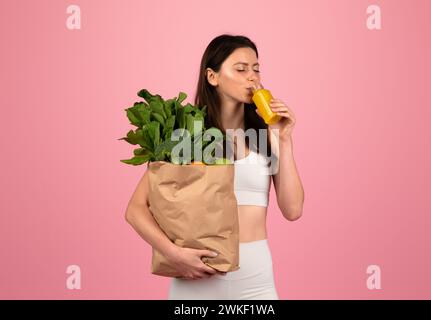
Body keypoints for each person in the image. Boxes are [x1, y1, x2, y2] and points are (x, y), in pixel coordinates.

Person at [125, 34, 304, 300]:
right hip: (197, 280)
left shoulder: (266, 136)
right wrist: (175, 254)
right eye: (241, 69)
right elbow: (135, 209)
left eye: (256, 69)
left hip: (257, 283)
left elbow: (293, 210)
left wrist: (284, 140)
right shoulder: (187, 134)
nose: (252, 77)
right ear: (213, 76)